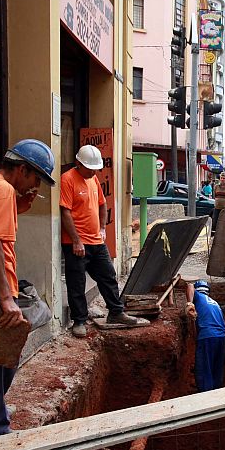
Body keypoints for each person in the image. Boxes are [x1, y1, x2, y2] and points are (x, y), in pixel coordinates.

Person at [0, 138, 55, 448]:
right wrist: (5, 297)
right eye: (36, 177)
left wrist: (20, 204)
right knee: (0, 360)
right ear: (22, 169)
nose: (36, 184)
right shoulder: (3, 190)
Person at [60, 145, 139, 338]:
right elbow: (65, 212)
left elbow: (103, 205)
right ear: (78, 163)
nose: (94, 172)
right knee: (77, 282)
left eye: (95, 168)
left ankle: (116, 312)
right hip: (76, 244)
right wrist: (76, 241)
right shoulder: (68, 179)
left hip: (96, 241)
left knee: (108, 275)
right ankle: (79, 320)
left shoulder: (93, 179)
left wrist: (103, 228)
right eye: (90, 168)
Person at [185, 280, 225, 391]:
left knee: (204, 368)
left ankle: (205, 397)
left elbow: (189, 286)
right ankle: (217, 394)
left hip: (208, 337)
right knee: (216, 369)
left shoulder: (198, 297)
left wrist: (190, 303)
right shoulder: (215, 303)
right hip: (221, 338)